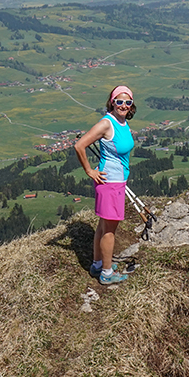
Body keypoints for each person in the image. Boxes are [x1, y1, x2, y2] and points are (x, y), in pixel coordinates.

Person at [74, 85, 136, 285]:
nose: (123, 105)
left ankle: (98, 264)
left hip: (112, 182)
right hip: (111, 184)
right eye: (119, 101)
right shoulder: (107, 123)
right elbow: (79, 145)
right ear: (112, 102)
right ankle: (107, 274)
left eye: (128, 102)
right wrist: (89, 171)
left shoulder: (122, 122)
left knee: (103, 225)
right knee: (110, 230)